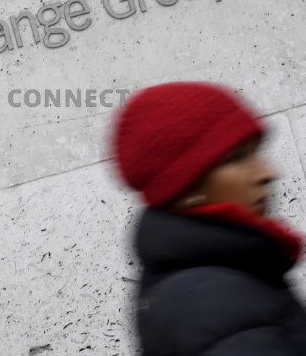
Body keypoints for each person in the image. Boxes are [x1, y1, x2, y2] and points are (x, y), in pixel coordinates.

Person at [110, 81, 306, 355]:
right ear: (185, 186)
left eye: (256, 152)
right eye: (237, 158)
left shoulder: (224, 274)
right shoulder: (212, 299)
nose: (267, 172)